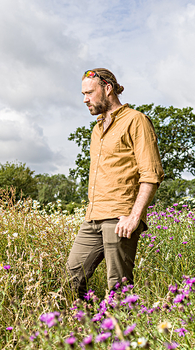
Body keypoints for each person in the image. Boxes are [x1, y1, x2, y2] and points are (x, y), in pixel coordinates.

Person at [67, 68, 164, 299]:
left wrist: (134, 217)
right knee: (72, 278)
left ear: (107, 88)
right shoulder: (96, 129)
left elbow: (151, 174)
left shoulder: (136, 120)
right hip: (93, 216)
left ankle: (121, 333)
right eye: (83, 94)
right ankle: (89, 329)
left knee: (118, 289)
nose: (85, 99)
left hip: (120, 218)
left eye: (89, 93)